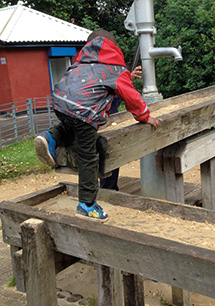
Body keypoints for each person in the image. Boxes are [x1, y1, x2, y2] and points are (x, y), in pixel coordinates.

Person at [34, 30, 160, 220]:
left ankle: (49, 137)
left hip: (60, 103)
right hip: (85, 112)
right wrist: (144, 116)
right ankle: (87, 204)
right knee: (88, 156)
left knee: (70, 126)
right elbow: (131, 96)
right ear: (115, 48)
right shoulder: (115, 69)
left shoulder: (80, 63)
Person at [99, 65, 142, 191]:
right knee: (105, 154)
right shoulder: (99, 74)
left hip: (111, 116)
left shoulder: (110, 74)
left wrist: (129, 78)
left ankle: (110, 187)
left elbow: (119, 89)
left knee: (111, 154)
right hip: (100, 119)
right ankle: (107, 189)